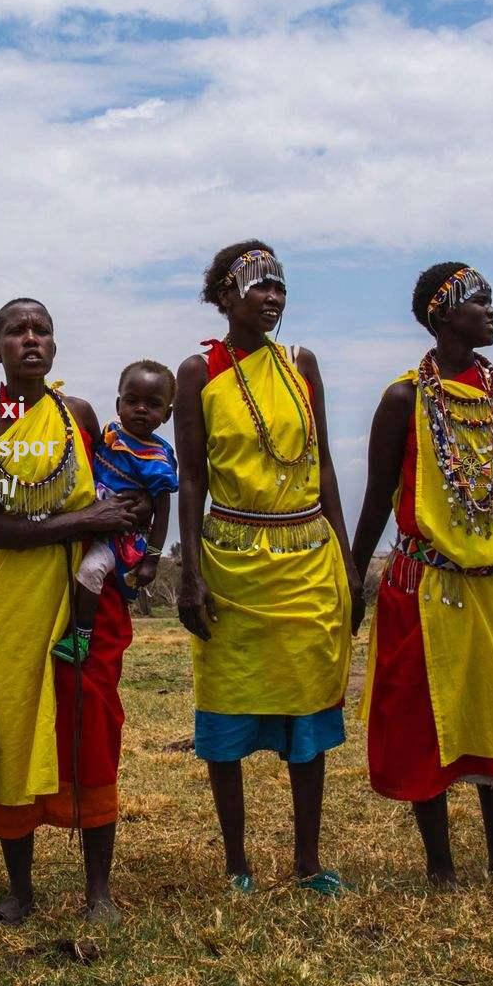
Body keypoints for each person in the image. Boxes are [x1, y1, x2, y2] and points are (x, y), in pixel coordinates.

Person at [0, 298, 148, 924]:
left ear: (55, 347)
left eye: (42, 330)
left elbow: (121, 488)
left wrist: (126, 533)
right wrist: (84, 519)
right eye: (16, 331)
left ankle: (99, 893)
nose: (31, 340)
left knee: (90, 728)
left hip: (83, 594)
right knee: (14, 732)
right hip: (11, 599)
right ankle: (20, 891)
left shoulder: (80, 414)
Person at [176, 242, 357, 895]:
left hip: (308, 558)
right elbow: (191, 479)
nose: (272, 296)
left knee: (308, 714)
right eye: (257, 285)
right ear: (224, 296)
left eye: (280, 285)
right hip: (232, 565)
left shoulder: (301, 363)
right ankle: (237, 862)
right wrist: (189, 573)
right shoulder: (198, 372)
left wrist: (348, 558)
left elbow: (326, 462)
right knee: (226, 713)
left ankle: (308, 859)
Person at [350, 262, 493, 888]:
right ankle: (441, 867)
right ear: (443, 311)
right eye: (482, 301)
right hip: (425, 586)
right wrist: (353, 578)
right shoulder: (404, 398)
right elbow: (377, 498)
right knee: (425, 720)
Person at [51, 360, 177, 664]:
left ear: (167, 414)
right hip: (86, 523)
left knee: (90, 571)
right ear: (119, 404)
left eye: (153, 404)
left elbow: (162, 513)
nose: (141, 410)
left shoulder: (157, 461)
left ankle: (81, 637)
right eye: (132, 401)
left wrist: (152, 560)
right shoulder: (110, 434)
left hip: (120, 537)